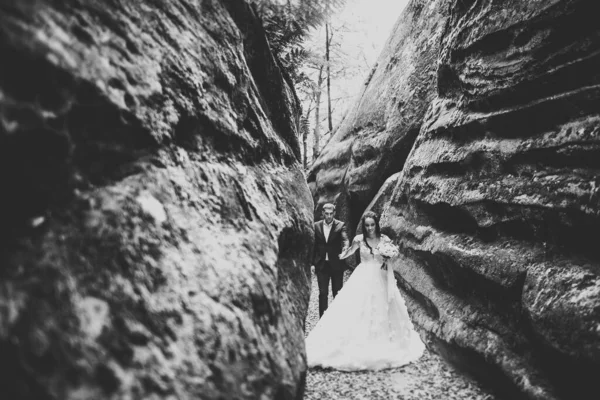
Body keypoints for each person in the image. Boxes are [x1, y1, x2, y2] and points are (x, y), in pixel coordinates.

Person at [305, 211, 425, 371]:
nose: (369, 228)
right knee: (357, 308)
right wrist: (341, 254)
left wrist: (389, 256)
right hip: (363, 276)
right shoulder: (359, 239)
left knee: (384, 308)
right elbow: (349, 251)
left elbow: (391, 256)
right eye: (367, 225)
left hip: (381, 277)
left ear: (376, 224)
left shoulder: (384, 239)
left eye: (372, 225)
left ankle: (385, 342)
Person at [312, 203, 349, 318]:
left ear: (334, 213)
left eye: (331, 213)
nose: (328, 216)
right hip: (322, 265)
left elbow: (345, 239)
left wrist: (345, 248)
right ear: (322, 213)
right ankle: (322, 319)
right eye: (326, 214)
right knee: (323, 293)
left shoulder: (340, 225)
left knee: (337, 292)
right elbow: (313, 245)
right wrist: (313, 263)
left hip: (336, 264)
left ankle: (337, 318)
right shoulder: (316, 226)